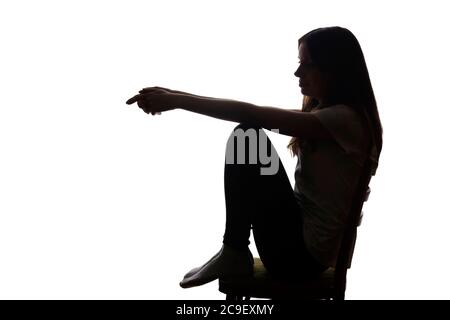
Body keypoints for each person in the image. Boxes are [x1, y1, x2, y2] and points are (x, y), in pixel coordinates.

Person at [126, 26, 383, 289]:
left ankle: (234, 249)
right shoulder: (335, 117)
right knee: (248, 134)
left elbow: (253, 114)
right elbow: (254, 112)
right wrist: (173, 95)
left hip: (299, 259)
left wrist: (176, 101)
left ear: (334, 68)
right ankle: (234, 250)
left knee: (248, 136)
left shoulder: (344, 120)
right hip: (298, 248)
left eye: (307, 65)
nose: (297, 72)